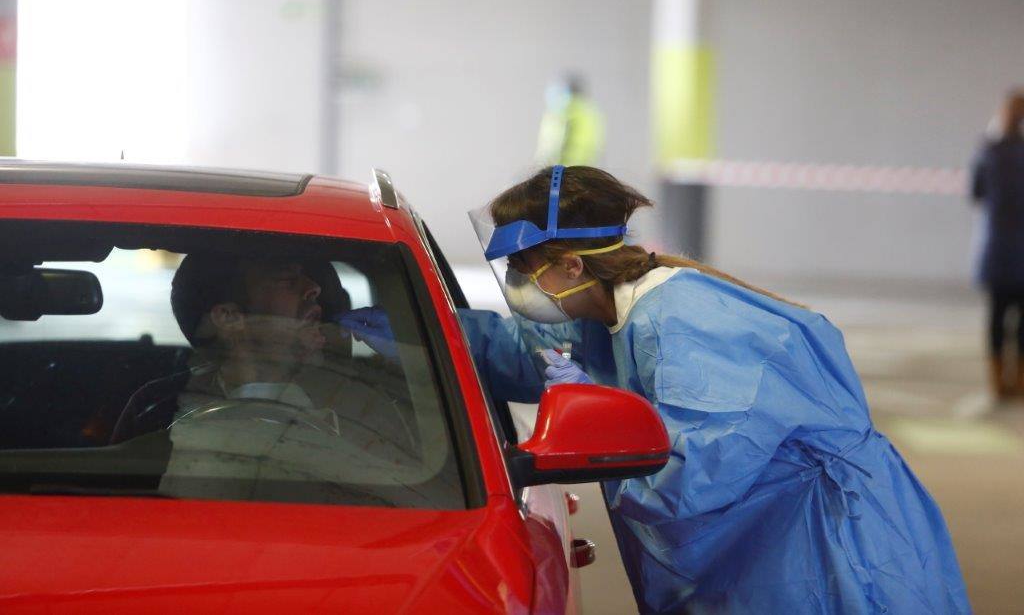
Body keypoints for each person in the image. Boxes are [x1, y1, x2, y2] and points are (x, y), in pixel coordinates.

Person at [344, 165, 970, 613]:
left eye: (521, 269)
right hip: (758, 546)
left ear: (571, 267)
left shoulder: (690, 322)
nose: (513, 284)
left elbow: (693, 475)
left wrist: (600, 431)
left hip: (824, 546)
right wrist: (402, 330)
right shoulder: (605, 316)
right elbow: (515, 353)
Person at [111, 254, 345, 442]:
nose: (315, 288)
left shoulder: (358, 396)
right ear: (229, 318)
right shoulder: (157, 408)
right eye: (287, 280)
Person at [971, 88, 1024, 401]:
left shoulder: (988, 151)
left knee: (996, 317)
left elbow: (976, 192)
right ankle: (1019, 381)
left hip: (997, 250)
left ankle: (996, 381)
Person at [535, 73, 605, 167]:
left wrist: (542, 169)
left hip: (560, 171)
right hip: (584, 170)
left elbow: (553, 148)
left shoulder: (561, 111)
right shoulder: (592, 112)